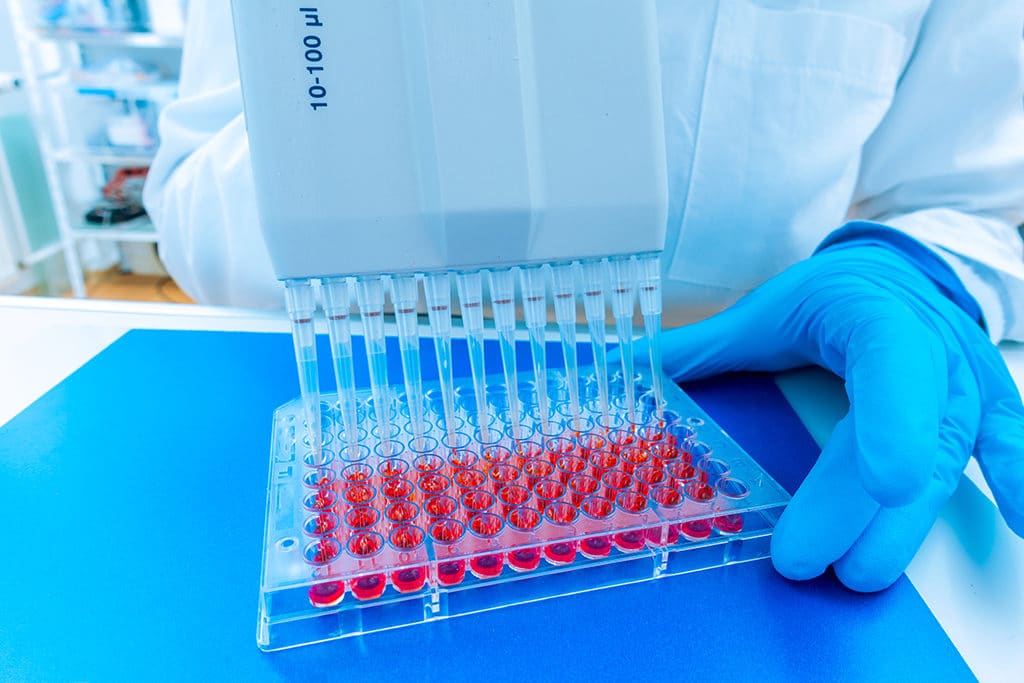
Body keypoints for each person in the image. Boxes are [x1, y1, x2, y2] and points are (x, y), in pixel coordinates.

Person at [143, 1, 1024, 592]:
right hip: (354, 397)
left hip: (746, 398)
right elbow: (193, 200)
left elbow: (973, 196)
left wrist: (912, 264)